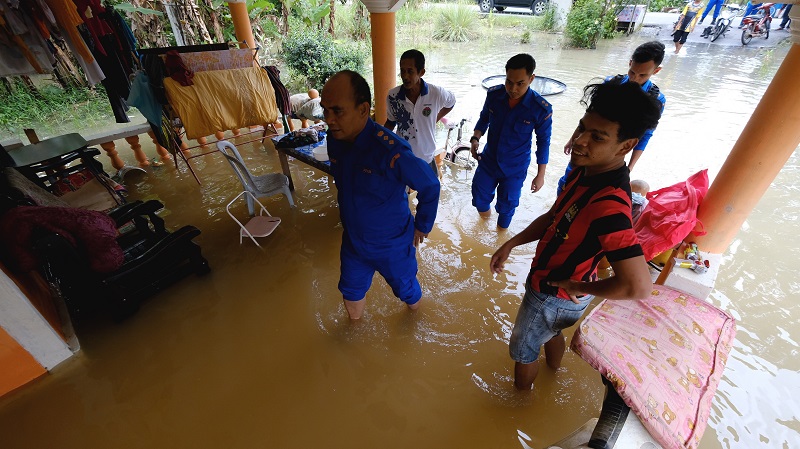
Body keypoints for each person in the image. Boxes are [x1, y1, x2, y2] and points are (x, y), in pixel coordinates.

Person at [489, 81, 660, 391]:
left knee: (523, 351)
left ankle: (519, 405)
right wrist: (512, 243)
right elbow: (556, 216)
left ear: (625, 146)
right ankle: (554, 371)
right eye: (582, 128)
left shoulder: (609, 205)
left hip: (553, 295)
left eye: (597, 137)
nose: (579, 142)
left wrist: (579, 286)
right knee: (551, 332)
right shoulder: (587, 170)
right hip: (563, 295)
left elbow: (639, 285)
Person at [322, 70, 441, 320]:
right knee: (351, 293)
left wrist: (422, 226)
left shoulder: (390, 150)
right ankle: (351, 340)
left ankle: (416, 324)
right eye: (325, 111)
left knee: (408, 293)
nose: (329, 119)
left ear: (364, 109)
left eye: (337, 110)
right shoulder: (334, 140)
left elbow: (430, 185)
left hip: (393, 244)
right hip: (354, 242)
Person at [558, 41, 666, 194]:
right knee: (567, 183)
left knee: (590, 193)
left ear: (656, 71)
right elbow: (590, 117)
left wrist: (630, 167)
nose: (635, 79)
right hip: (589, 147)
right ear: (630, 63)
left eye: (643, 75)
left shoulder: (655, 101)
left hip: (610, 155)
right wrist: (573, 139)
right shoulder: (611, 85)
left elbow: (644, 136)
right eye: (632, 72)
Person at [470, 53, 553, 230]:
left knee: (507, 207)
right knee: (479, 198)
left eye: (520, 83)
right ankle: (484, 225)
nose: (513, 88)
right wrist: (475, 138)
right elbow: (484, 118)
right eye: (509, 81)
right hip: (489, 160)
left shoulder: (540, 108)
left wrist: (541, 175)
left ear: (531, 79)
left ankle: (499, 237)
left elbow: (543, 142)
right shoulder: (494, 95)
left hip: (515, 167)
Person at [385, 49, 456, 175]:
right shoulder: (393, 96)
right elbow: (390, 123)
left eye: (410, 71)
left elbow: (451, 102)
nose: (405, 76)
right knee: (399, 194)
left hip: (427, 157)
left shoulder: (436, 93)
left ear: (421, 72)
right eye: (402, 71)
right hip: (403, 157)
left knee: (431, 192)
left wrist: (436, 117)